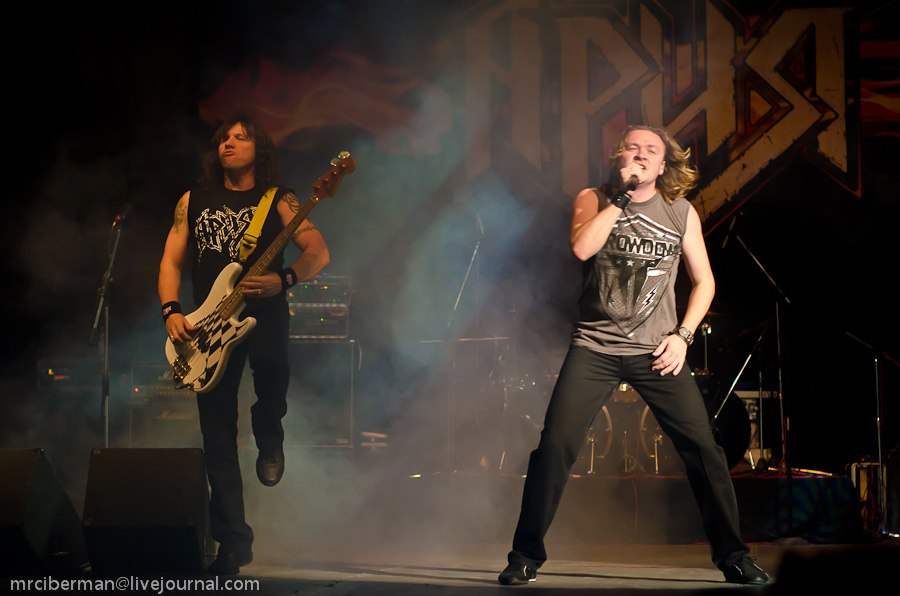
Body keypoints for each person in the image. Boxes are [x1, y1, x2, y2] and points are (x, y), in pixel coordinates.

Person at [497, 125, 769, 586]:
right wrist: (621, 198)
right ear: (619, 157)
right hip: (595, 348)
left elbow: (704, 281)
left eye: (651, 150)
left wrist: (683, 336)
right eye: (632, 147)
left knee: (704, 448)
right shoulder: (593, 198)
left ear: (663, 165)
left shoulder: (680, 211)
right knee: (555, 446)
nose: (640, 154)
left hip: (658, 351)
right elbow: (582, 247)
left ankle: (734, 557)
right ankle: (524, 556)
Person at [158, 116, 330, 575]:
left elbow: (318, 251)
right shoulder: (192, 200)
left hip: (265, 315)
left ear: (261, 149)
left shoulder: (278, 199)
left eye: (240, 137)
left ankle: (269, 434)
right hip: (209, 327)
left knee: (272, 375)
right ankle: (233, 544)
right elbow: (171, 260)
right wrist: (172, 310)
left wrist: (284, 278)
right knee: (217, 438)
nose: (229, 143)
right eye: (224, 138)